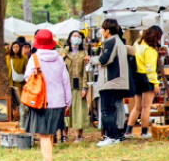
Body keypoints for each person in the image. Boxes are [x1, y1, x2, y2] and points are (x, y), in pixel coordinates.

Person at [23, 29, 71, 161]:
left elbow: (27, 78)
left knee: (44, 135)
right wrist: (67, 102)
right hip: (58, 101)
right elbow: (66, 81)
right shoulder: (59, 59)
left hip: (41, 101)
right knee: (50, 133)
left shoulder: (34, 59)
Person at [86, 19, 130, 147]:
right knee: (116, 108)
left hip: (111, 82)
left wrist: (91, 59)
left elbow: (105, 59)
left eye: (102, 29)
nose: (101, 32)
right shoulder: (119, 42)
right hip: (119, 82)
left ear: (107, 30)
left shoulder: (111, 41)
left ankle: (111, 136)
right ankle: (118, 135)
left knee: (106, 110)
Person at [125, 25, 162, 139]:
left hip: (136, 77)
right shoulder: (150, 50)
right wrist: (156, 84)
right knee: (146, 107)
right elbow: (151, 69)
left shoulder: (138, 43)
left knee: (137, 107)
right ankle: (144, 132)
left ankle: (128, 131)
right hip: (146, 79)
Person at [61, 30, 89, 142]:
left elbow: (85, 72)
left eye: (78, 36)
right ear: (69, 38)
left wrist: (85, 87)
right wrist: (64, 54)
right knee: (66, 110)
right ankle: (64, 135)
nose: (76, 38)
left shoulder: (84, 53)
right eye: (74, 36)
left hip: (79, 83)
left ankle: (79, 136)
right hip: (66, 84)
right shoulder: (64, 52)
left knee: (79, 110)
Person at [7, 41, 28, 128]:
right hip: (9, 81)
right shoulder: (8, 57)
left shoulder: (23, 58)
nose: (15, 49)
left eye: (17, 47)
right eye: (14, 47)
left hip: (20, 83)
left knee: (20, 102)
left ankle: (21, 119)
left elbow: (26, 70)